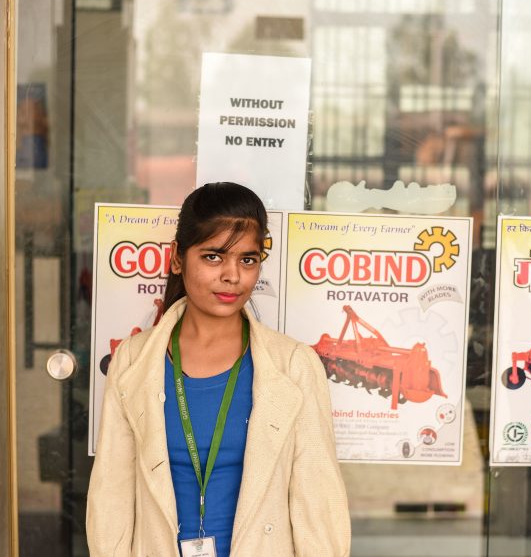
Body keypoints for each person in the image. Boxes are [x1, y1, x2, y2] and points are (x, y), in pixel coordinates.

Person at [87, 182, 350, 556]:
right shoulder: (133, 360)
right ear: (177, 258)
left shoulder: (293, 365)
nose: (233, 275)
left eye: (248, 260)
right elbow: (110, 500)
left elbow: (318, 505)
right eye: (213, 257)